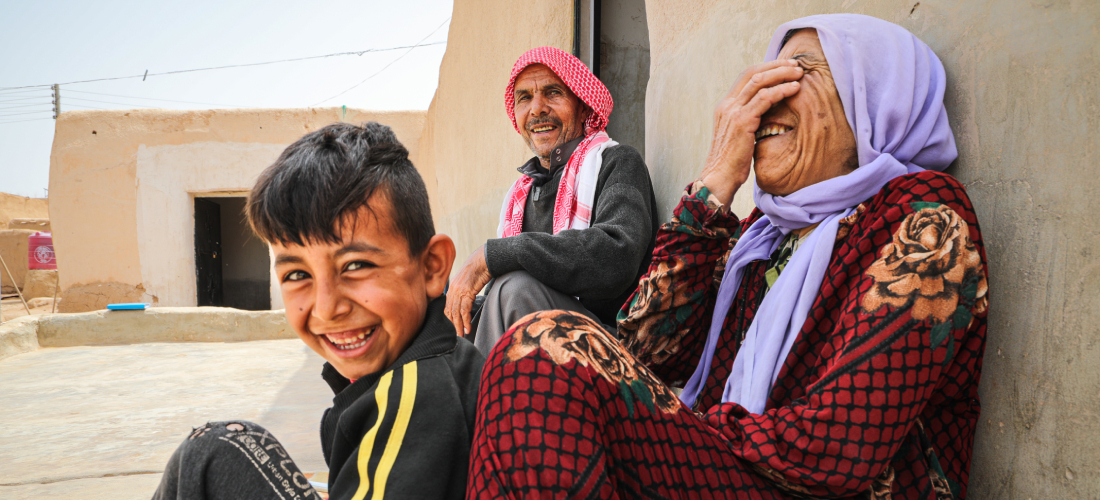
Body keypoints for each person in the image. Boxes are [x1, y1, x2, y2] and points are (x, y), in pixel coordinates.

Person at [468, 14, 988, 499]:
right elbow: (646, 349)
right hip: (731, 466)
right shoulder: (759, 239)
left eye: (796, 72)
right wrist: (715, 184)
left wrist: (683, 427)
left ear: (874, 100)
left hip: (809, 484)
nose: (760, 99)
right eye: (763, 77)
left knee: (546, 344)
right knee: (518, 362)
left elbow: (838, 444)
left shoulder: (925, 216)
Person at [151, 122, 484, 500]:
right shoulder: (425, 368)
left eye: (355, 266)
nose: (327, 308)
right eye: (297, 274)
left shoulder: (416, 399)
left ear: (432, 267)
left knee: (214, 451)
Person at [444, 46, 658, 355]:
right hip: (544, 338)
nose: (537, 109)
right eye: (525, 98)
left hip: (613, 350)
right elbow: (493, 305)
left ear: (583, 107)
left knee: (516, 289)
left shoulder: (617, 162)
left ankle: (487, 389)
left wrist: (495, 254)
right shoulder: (521, 195)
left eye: (553, 93)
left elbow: (616, 258)